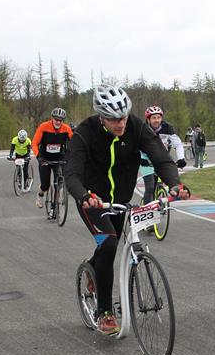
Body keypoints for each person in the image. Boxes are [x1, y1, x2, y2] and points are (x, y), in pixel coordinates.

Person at [65, 85, 191, 334]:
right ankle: (105, 312)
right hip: (93, 201)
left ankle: (93, 268)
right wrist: (82, 195)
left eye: (123, 117)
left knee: (108, 248)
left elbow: (160, 157)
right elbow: (72, 172)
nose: (121, 123)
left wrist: (174, 183)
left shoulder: (136, 126)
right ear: (102, 117)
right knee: (109, 243)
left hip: (121, 200)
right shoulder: (85, 132)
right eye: (114, 119)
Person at [140, 105, 187, 205]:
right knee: (150, 186)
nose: (157, 120)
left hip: (162, 160)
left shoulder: (167, 128)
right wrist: (140, 158)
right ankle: (147, 210)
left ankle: (163, 197)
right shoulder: (143, 129)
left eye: (158, 117)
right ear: (148, 119)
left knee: (166, 180)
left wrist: (181, 158)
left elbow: (178, 144)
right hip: (146, 159)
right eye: (154, 118)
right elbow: (136, 145)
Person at [31, 107, 73, 217]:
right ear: (52, 118)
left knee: (57, 184)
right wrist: (39, 157)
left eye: (61, 120)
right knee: (45, 185)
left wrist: (71, 156)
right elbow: (34, 143)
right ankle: (40, 195)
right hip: (44, 158)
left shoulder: (66, 129)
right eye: (56, 119)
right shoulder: (43, 127)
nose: (58, 122)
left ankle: (54, 209)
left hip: (59, 159)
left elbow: (74, 143)